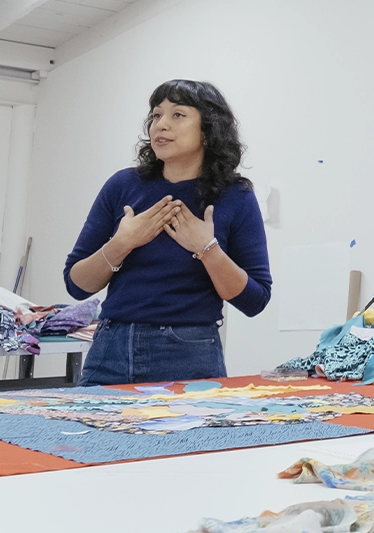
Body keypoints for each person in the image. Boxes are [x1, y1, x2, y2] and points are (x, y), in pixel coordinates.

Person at [63, 79, 271, 386]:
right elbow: (76, 285)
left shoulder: (235, 195)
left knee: (187, 436)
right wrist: (122, 243)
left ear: (208, 129)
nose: (161, 125)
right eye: (156, 115)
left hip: (189, 350)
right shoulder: (122, 185)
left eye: (178, 115)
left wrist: (207, 249)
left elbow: (256, 300)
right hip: (112, 344)